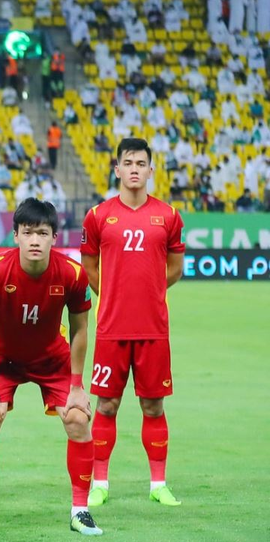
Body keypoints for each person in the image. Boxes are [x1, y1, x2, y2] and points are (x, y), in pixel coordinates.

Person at [0, 199, 102, 538]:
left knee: (78, 419)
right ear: (15, 235)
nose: (34, 240)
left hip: (52, 359)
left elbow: (81, 330)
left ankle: (80, 510)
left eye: (42, 233)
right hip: (4, 360)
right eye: (27, 232)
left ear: (54, 238)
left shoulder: (72, 273)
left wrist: (77, 386)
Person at [80, 138, 185, 508]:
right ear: (117, 169)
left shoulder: (169, 216)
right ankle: (99, 483)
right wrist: (112, 294)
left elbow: (175, 268)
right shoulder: (98, 216)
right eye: (129, 163)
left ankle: (158, 484)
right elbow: (89, 267)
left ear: (151, 170)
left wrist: (151, 291)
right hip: (111, 328)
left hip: (153, 329)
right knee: (106, 406)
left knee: (153, 407)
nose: (135, 169)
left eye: (141, 163)